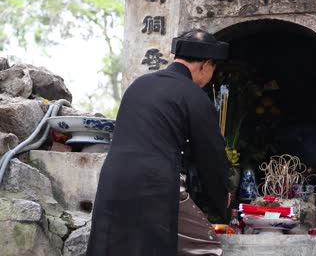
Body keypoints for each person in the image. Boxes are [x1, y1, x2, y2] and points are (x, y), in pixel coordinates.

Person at [86, 29, 231, 256]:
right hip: (155, 185)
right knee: (205, 247)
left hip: (113, 181)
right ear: (206, 64)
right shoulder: (194, 95)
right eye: (214, 68)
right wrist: (223, 200)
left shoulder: (139, 85)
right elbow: (210, 157)